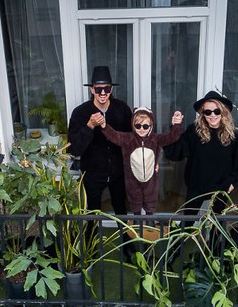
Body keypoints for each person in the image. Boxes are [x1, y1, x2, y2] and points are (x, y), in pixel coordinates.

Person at [164, 90, 238, 216]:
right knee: (189, 221)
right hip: (197, 186)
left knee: (216, 223)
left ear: (223, 112)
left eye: (217, 111)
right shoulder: (194, 132)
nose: (213, 115)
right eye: (208, 112)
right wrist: (175, 127)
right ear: (203, 114)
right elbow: (175, 152)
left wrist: (232, 184)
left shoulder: (233, 135)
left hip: (221, 188)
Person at [67, 66, 132, 218]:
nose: (103, 93)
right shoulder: (80, 112)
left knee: (121, 211)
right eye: (98, 89)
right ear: (92, 90)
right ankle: (92, 235)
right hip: (92, 174)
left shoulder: (122, 109)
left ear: (111, 89)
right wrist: (89, 126)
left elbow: (130, 141)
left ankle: (124, 234)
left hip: (118, 173)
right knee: (92, 214)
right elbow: (73, 149)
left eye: (106, 88)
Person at [101, 107, 184, 215]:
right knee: (134, 198)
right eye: (138, 126)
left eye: (145, 126)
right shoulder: (128, 139)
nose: (141, 129)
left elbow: (171, 137)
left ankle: (150, 217)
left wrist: (176, 125)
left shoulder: (155, 139)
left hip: (151, 178)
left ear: (151, 126)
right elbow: (114, 136)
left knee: (151, 197)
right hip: (132, 178)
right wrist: (104, 126)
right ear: (133, 125)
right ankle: (137, 217)